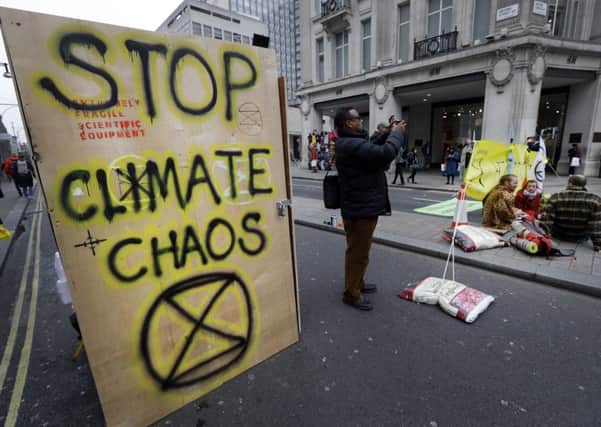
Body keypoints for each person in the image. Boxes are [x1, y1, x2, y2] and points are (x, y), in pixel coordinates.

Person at [335, 107, 406, 311]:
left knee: (360, 251)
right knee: (358, 253)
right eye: (358, 119)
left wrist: (384, 133)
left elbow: (369, 148)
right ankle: (351, 293)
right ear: (349, 123)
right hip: (360, 208)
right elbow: (384, 155)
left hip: (360, 205)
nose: (361, 121)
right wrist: (396, 134)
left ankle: (357, 283)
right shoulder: (350, 144)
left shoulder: (350, 142)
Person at [540, 175, 601, 253]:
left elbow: (547, 220)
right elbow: (596, 225)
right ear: (584, 185)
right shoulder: (595, 200)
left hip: (559, 234)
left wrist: (543, 238)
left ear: (570, 184)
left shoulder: (556, 196)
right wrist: (598, 245)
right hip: (581, 236)